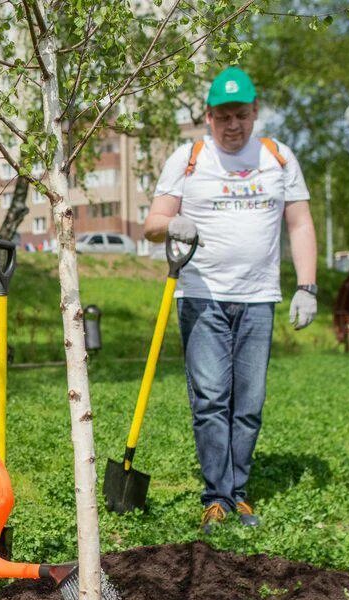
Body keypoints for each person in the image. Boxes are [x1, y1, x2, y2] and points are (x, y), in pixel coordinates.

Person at [144, 66, 318, 534]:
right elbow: (153, 221)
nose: (233, 125)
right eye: (223, 117)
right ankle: (217, 496)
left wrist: (307, 286)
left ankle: (238, 491)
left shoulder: (278, 158)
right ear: (208, 116)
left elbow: (299, 223)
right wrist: (172, 225)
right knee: (211, 399)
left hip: (259, 299)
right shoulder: (189, 158)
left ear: (255, 112)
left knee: (249, 403)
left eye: (241, 115)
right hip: (202, 296)